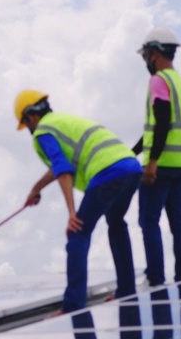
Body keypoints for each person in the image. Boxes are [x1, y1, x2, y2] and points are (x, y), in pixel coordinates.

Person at [15, 90, 141, 313]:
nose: (29, 130)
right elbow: (60, 165)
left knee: (77, 233)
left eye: (26, 124)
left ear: (31, 117)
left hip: (107, 172)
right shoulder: (63, 121)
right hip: (130, 168)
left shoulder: (42, 132)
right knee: (116, 224)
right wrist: (37, 188)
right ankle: (127, 291)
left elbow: (63, 169)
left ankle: (73, 305)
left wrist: (71, 213)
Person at [133, 28, 181, 288]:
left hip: (161, 167)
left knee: (149, 221)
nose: (145, 61)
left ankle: (155, 278)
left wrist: (151, 162)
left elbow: (162, 122)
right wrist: (132, 153)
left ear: (156, 53)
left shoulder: (159, 81)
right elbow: (159, 128)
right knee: (178, 221)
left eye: (146, 55)